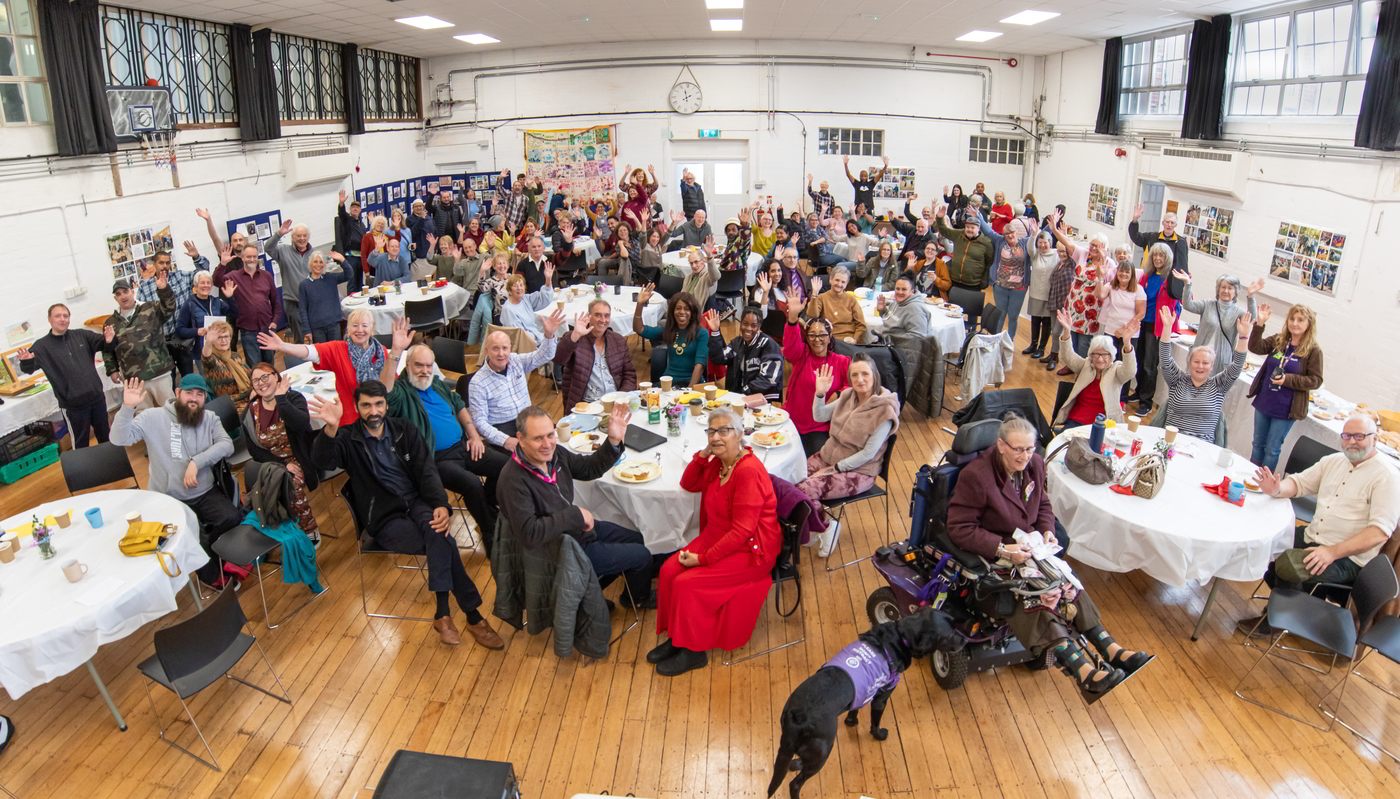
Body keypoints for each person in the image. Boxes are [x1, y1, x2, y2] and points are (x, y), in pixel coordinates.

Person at [948, 416, 1152, 697]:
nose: (1025, 456)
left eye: (1030, 449)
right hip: (996, 558)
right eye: (1017, 449)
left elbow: (1042, 503)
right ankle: (1084, 672)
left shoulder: (1034, 465)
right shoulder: (977, 476)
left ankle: (1112, 650)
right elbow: (959, 528)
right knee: (1031, 599)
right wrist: (1001, 548)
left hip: (1032, 549)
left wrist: (1047, 530)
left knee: (1067, 585)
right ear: (1001, 446)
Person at [309, 382, 503, 648]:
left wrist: (440, 504)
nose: (373, 411)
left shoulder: (404, 429)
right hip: (384, 516)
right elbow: (322, 462)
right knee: (444, 541)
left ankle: (446, 615)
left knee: (440, 533)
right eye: (366, 405)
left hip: (417, 502)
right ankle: (470, 616)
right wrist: (330, 428)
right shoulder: (347, 438)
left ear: (386, 405)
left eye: (378, 404)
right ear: (356, 408)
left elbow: (427, 470)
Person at [1237, 414, 1400, 637]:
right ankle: (1299, 603)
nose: (1352, 441)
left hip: (1347, 557)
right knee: (1267, 541)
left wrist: (1331, 552)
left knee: (1288, 565)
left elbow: (1379, 533)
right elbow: (1299, 483)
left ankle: (1277, 621)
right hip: (1315, 536)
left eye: (1359, 436)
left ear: (1375, 439)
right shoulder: (1333, 461)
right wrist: (1276, 488)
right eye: (1347, 435)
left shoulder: (1387, 477)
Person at [650, 407, 781, 676]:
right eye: (711, 431)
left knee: (688, 583)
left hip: (752, 549)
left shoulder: (748, 471)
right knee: (668, 570)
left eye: (724, 431)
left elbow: (743, 530)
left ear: (740, 435)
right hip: (717, 536)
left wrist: (704, 559)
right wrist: (703, 455)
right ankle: (677, 638)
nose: (715, 437)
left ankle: (693, 652)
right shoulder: (721, 463)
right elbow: (688, 483)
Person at [499, 405, 656, 608]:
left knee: (637, 538)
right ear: (520, 438)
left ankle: (587, 593)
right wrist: (575, 515)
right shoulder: (512, 480)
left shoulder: (556, 455)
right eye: (538, 438)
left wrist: (614, 441)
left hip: (577, 531)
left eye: (550, 435)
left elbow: (589, 468)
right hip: (559, 550)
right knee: (641, 556)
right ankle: (636, 600)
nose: (547, 444)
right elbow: (530, 534)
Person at [381, 323, 508, 549]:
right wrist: (396, 352)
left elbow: (458, 404)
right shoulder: (402, 392)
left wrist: (473, 435)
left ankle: (488, 509)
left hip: (464, 445)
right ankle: (490, 533)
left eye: (429, 366)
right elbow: (385, 390)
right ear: (407, 366)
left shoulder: (436, 384)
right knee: (471, 484)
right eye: (418, 365)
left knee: (508, 466)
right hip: (435, 459)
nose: (424, 371)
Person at [111, 374, 242, 586]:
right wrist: (127, 408)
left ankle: (209, 552)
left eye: (200, 394)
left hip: (205, 491)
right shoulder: (152, 417)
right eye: (189, 392)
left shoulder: (209, 418)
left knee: (232, 517)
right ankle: (211, 576)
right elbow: (119, 439)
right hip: (168, 497)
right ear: (177, 393)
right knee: (191, 536)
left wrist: (196, 462)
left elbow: (227, 445)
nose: (194, 398)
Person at [801, 356, 900, 555]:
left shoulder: (884, 411)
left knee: (804, 490)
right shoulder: (848, 396)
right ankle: (814, 523)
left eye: (865, 374)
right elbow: (819, 416)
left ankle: (826, 527)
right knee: (792, 476)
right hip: (828, 456)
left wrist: (835, 468)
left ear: (875, 376)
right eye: (854, 375)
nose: (860, 379)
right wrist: (820, 393)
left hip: (859, 471)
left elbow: (868, 453)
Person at [256, 308, 393, 429]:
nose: (360, 330)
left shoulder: (381, 352)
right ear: (349, 329)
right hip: (351, 422)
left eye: (365, 325)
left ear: (372, 328)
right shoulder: (339, 349)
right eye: (355, 325)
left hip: (378, 418)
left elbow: (389, 387)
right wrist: (283, 346)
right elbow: (309, 351)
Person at [242, 363, 320, 544]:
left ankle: (309, 529)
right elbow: (255, 451)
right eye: (255, 380)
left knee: (290, 483)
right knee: (278, 482)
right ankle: (285, 530)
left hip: (299, 457)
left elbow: (301, 424)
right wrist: (283, 465)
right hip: (272, 464)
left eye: (265, 377)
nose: (261, 383)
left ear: (276, 376)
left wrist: (281, 399)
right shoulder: (250, 412)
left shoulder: (293, 398)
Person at [18, 303, 111, 448]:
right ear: (49, 319)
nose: (62, 319)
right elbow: (29, 369)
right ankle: (83, 471)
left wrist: (110, 339)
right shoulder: (41, 346)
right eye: (58, 316)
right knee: (80, 445)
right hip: (74, 407)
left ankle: (111, 467)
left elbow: (106, 345)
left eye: (65, 316)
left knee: (106, 438)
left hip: (97, 399)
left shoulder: (82, 335)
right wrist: (26, 362)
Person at [470, 312, 565, 451]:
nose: (501, 354)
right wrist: (505, 440)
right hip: (502, 429)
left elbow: (545, 355)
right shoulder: (478, 383)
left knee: (557, 448)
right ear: (486, 351)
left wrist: (549, 335)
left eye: (505, 348)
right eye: (495, 348)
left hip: (528, 421)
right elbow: (480, 422)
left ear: (510, 348)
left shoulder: (515, 360)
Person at [1247, 302, 1324, 471]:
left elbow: (1315, 380)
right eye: (1292, 318)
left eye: (1300, 320)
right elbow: (1255, 347)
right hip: (1265, 400)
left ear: (1309, 324)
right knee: (1257, 444)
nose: (1294, 323)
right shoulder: (1279, 340)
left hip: (1286, 408)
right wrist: (1259, 324)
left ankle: (1263, 485)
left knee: (1271, 450)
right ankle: (1249, 478)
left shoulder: (1313, 350)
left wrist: (1287, 379)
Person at [1156, 306, 1250, 442]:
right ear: (1189, 364)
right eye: (1196, 361)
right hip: (1171, 442)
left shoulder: (1219, 385)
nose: (1200, 366)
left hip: (1202, 446)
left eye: (1205, 363)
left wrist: (1244, 337)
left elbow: (1237, 366)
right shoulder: (1177, 380)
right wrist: (1167, 328)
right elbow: (1165, 359)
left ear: (1211, 367)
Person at [1049, 309, 1136, 429]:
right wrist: (1067, 330)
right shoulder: (1086, 365)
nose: (1100, 359)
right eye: (1096, 354)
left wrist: (1127, 343)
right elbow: (1067, 357)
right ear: (1091, 355)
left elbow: (1130, 371)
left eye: (1105, 355)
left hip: (1103, 425)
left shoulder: (1116, 370)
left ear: (1111, 356)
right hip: (1076, 420)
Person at [783, 304, 851, 457]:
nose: (817, 339)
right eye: (812, 335)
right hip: (794, 420)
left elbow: (851, 387)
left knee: (817, 462)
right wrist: (792, 319)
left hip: (821, 426)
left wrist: (838, 395)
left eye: (822, 335)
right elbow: (790, 348)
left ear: (830, 336)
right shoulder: (801, 356)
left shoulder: (842, 362)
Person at [1128, 240, 1186, 414]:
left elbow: (1179, 301)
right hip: (1142, 321)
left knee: (1149, 363)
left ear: (1167, 258)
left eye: (1161, 255)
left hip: (1157, 325)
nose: (1158, 258)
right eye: (1155, 255)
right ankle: (1139, 391)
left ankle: (1146, 401)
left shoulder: (1171, 278)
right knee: (1138, 359)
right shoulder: (1146, 275)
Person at [104, 275, 177, 410]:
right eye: (118, 294)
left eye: (125, 291)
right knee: (143, 417)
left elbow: (170, 307)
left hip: (159, 373)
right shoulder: (110, 323)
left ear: (133, 291)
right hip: (134, 381)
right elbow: (107, 349)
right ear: (115, 298)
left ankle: (177, 433)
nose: (123, 296)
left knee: (172, 412)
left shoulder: (151, 308)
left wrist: (164, 290)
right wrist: (112, 369)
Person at [1046, 211, 1112, 358]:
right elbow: (1067, 242)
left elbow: (1110, 284)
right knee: (1070, 336)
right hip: (1073, 303)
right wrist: (1055, 230)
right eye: (1092, 245)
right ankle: (1071, 364)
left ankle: (1081, 369)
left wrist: (1103, 258)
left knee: (1084, 342)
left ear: (1104, 248)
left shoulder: (1109, 264)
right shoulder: (1083, 254)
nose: (1093, 248)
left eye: (1097, 246)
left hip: (1091, 309)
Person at [1175, 271, 1262, 378]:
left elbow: (1252, 318)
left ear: (1235, 292)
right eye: (1223, 287)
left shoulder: (1238, 312)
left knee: (1212, 391)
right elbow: (1188, 305)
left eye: (1230, 288)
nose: (1226, 291)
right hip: (1199, 357)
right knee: (1192, 387)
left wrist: (1251, 296)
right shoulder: (1207, 305)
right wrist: (1187, 283)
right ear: (1218, 289)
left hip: (1221, 361)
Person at [555, 299, 637, 407]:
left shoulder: (618, 340)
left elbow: (629, 375)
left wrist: (621, 397)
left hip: (616, 402)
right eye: (598, 315)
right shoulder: (575, 337)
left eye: (606, 316)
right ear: (589, 317)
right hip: (586, 405)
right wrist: (574, 336)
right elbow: (558, 359)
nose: (603, 320)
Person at [133, 249, 198, 377]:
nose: (164, 266)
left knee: (188, 377)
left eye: (167, 262)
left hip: (181, 338)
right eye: (161, 262)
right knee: (169, 380)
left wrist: (196, 257)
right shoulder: (145, 287)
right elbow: (141, 316)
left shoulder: (181, 277)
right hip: (161, 342)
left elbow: (202, 273)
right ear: (154, 264)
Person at [703, 306, 783, 402]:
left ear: (759, 326)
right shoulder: (738, 343)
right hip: (738, 398)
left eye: (753, 325)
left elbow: (768, 378)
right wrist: (715, 332)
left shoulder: (769, 345)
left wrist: (745, 392)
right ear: (740, 324)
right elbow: (719, 357)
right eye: (745, 324)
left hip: (760, 400)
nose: (748, 329)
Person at [224, 242, 280, 367]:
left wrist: (275, 321)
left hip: (267, 328)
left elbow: (275, 301)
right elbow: (217, 280)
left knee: (269, 365)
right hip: (248, 331)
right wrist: (222, 264)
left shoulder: (266, 276)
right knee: (255, 367)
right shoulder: (234, 276)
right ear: (242, 258)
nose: (252, 259)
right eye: (249, 257)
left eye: (254, 256)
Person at [636, 288, 707, 387]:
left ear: (692, 313)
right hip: (669, 383)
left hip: (692, 384)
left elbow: (699, 365)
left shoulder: (702, 333)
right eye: (678, 308)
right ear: (672, 312)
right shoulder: (668, 330)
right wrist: (639, 305)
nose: (682, 312)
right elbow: (639, 329)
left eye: (687, 309)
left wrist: (690, 392)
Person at [264, 220, 317, 342]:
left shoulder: (314, 254)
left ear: (308, 237)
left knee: (315, 336)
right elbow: (268, 248)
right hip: (293, 303)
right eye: (298, 236)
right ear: (293, 238)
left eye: (304, 235)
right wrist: (279, 234)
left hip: (311, 303)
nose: (302, 238)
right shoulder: (283, 251)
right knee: (299, 340)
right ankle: (300, 361)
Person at [990, 217, 1034, 343]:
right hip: (1001, 286)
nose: (1010, 235)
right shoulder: (1000, 242)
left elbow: (1039, 238)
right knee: (1000, 315)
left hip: (1019, 288)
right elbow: (988, 231)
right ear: (1004, 235)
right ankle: (995, 340)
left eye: (1012, 233)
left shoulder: (1025, 243)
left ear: (1016, 233)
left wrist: (1050, 227)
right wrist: (978, 216)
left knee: (1013, 316)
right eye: (1007, 234)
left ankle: (1009, 341)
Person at [933, 204, 994, 293]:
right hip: (954, 281)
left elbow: (989, 263)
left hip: (973, 284)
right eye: (967, 227)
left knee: (970, 306)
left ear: (978, 228)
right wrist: (939, 218)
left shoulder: (986, 242)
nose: (969, 230)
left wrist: (985, 279)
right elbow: (944, 231)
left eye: (972, 227)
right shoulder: (959, 234)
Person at [177, 267, 236, 356]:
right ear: (196, 286)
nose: (206, 285)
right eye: (202, 283)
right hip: (201, 351)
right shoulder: (189, 305)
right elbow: (180, 330)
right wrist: (197, 331)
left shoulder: (217, 302)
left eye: (208, 283)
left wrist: (230, 297)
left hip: (220, 347)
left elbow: (235, 314)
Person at [1040, 237, 1078, 373]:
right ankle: (1052, 355)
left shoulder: (1072, 265)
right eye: (1060, 251)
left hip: (1064, 305)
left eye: (1065, 251)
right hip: (1053, 301)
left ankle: (1056, 357)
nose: (1062, 254)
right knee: (1053, 332)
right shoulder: (1059, 264)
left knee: (1057, 332)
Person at [296, 251, 350, 345]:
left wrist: (342, 260)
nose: (318, 265)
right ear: (310, 264)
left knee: (336, 353)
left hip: (334, 325)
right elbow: (303, 309)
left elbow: (349, 274)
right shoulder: (304, 285)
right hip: (317, 329)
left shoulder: (330, 278)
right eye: (315, 262)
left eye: (321, 262)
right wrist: (307, 330)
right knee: (322, 356)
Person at [1022, 230, 1060, 360]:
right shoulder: (1035, 254)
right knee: (1035, 320)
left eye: (1046, 243)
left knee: (1047, 322)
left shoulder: (1056, 254)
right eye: (1040, 242)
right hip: (1036, 293)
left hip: (1050, 295)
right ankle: (1033, 344)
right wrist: (1033, 235)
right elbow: (1029, 247)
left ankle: (1041, 348)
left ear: (1050, 243)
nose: (1043, 245)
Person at [804, 266, 866, 344]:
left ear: (847, 284)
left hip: (849, 341)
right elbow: (812, 315)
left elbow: (861, 325)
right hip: (828, 340)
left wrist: (855, 340)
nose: (839, 284)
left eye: (843, 282)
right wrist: (814, 294)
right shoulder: (821, 298)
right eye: (837, 280)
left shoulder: (851, 299)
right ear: (830, 280)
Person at [200, 321, 251, 413]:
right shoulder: (212, 359)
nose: (223, 340)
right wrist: (208, 342)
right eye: (219, 337)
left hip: (249, 398)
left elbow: (250, 376)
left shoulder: (235, 355)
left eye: (226, 336)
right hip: (229, 406)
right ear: (213, 340)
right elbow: (206, 357)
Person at [1095, 259, 1147, 347]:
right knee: (1110, 359)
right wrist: (1100, 277)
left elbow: (1141, 314)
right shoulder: (1111, 285)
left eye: (1127, 272)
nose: (1124, 274)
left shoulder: (1138, 289)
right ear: (1117, 272)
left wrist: (1124, 329)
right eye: (1121, 271)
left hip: (1130, 333)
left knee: (1126, 359)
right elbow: (1100, 295)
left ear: (1132, 275)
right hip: (1111, 330)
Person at [498, 272, 555, 345]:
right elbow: (519, 336)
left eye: (521, 285)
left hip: (535, 340)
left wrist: (548, 280)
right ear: (509, 291)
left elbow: (544, 299)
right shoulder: (508, 309)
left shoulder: (525, 299)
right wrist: (542, 337)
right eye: (515, 286)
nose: (519, 288)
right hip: (525, 346)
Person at [336, 191, 367, 294]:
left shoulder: (361, 224)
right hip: (351, 257)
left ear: (360, 210)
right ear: (349, 209)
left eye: (357, 207)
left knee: (359, 282)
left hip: (361, 257)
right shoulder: (347, 221)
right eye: (353, 207)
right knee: (352, 282)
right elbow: (342, 214)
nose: (355, 208)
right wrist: (341, 204)